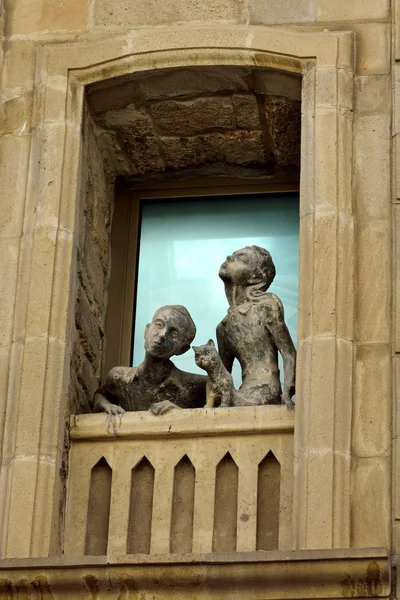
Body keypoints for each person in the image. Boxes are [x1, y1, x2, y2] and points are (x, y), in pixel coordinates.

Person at [217, 245, 296, 408]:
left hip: (266, 391)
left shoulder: (266, 306)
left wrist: (287, 392)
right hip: (241, 393)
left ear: (256, 278)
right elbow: (222, 375)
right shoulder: (223, 328)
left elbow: (288, 353)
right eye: (232, 255)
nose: (229, 258)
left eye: (242, 259)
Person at [92, 305, 207, 416]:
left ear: (182, 349)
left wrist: (180, 413)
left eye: (174, 334)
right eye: (159, 325)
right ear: (146, 330)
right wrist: (105, 405)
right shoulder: (118, 378)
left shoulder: (197, 386)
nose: (162, 335)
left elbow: (218, 413)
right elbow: (101, 395)